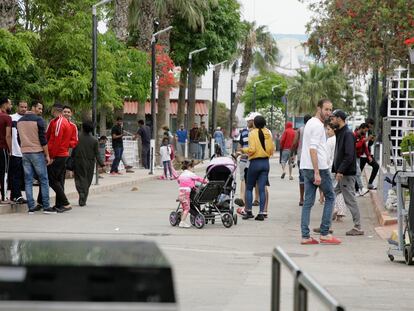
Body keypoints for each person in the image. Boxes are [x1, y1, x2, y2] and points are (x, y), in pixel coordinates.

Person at [300, 98, 340, 245]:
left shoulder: (310, 122)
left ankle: (305, 236)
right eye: (326, 109)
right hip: (319, 168)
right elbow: (313, 149)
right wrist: (317, 172)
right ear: (319, 108)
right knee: (330, 197)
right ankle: (324, 233)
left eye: (330, 110)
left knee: (308, 202)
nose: (329, 113)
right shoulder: (317, 126)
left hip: (306, 167)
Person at [330, 110, 364, 236]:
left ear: (339, 119)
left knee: (350, 200)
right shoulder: (340, 133)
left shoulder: (348, 134)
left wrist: (340, 171)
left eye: (333, 118)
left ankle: (358, 227)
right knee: (331, 195)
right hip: (341, 173)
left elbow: (349, 155)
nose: (332, 120)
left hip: (346, 174)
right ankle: (326, 225)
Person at [17, 101, 54, 214]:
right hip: (37, 152)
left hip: (25, 152)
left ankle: (31, 207)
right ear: (33, 108)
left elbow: (19, 138)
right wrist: (47, 155)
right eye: (39, 108)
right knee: (43, 179)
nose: (41, 111)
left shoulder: (20, 121)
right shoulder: (39, 120)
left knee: (28, 180)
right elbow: (43, 140)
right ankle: (46, 206)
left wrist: (24, 147)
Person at [239, 115, 274, 221]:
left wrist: (243, 150)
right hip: (265, 162)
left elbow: (252, 149)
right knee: (262, 188)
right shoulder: (268, 133)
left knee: (249, 187)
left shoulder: (252, 133)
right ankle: (262, 213)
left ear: (254, 123)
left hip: (254, 163)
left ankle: (248, 211)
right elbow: (271, 149)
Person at [46, 103, 76, 212]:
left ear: (54, 110)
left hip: (59, 154)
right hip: (62, 154)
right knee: (58, 180)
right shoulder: (64, 122)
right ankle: (59, 204)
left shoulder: (59, 122)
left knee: (52, 179)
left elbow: (57, 140)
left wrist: (52, 156)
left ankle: (65, 203)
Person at [73, 120, 105, 206]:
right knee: (87, 180)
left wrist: (70, 159)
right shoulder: (94, 140)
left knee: (79, 178)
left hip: (78, 161)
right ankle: (83, 198)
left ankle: (81, 192)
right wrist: (102, 164)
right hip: (90, 162)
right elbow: (97, 154)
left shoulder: (77, 137)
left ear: (82, 127)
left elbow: (73, 149)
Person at [176, 160, 206, 228]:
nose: (193, 169)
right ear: (189, 167)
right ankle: (182, 222)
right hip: (186, 192)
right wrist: (205, 181)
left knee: (184, 207)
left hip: (181, 192)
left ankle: (181, 218)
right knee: (187, 208)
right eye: (193, 168)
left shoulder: (182, 174)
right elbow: (198, 179)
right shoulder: (190, 174)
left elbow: (178, 181)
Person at [10, 100, 27, 204]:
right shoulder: (11, 118)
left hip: (25, 152)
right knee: (15, 174)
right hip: (15, 151)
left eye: (25, 107)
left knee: (22, 175)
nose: (23, 109)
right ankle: (17, 196)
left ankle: (16, 195)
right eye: (21, 107)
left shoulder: (28, 119)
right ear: (17, 107)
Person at [292, 114, 312, 206]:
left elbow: (295, 143)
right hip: (312, 157)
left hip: (302, 157)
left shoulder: (300, 130)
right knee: (311, 178)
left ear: (304, 121)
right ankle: (309, 198)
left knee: (302, 178)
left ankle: (301, 198)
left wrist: (292, 154)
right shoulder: (313, 130)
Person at [359, 118, 379, 190]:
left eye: (371, 127)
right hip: (360, 155)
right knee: (358, 172)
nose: (369, 128)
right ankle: (356, 187)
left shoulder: (370, 131)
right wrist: (367, 138)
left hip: (367, 154)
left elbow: (368, 144)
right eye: (369, 126)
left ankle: (370, 183)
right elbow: (360, 142)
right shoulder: (359, 130)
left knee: (376, 166)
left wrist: (372, 140)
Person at [0, 97, 12, 203]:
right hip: (2, 148)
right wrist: (10, 149)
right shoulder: (6, 117)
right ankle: (3, 198)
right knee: (4, 172)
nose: (10, 106)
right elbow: (8, 136)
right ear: (4, 105)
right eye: (9, 104)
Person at [353, 123, 370, 196]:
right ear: (361, 128)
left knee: (357, 174)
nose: (365, 132)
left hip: (358, 157)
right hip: (352, 157)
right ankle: (361, 188)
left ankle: (357, 190)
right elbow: (355, 146)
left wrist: (368, 156)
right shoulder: (354, 135)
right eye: (365, 131)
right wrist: (362, 141)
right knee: (357, 173)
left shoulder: (361, 136)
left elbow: (365, 147)